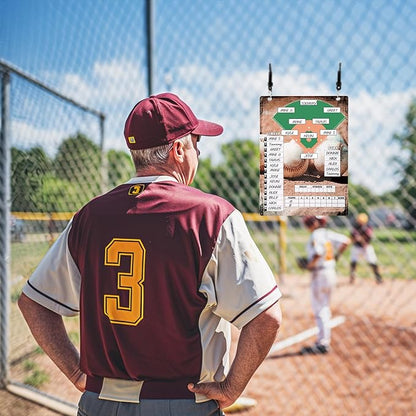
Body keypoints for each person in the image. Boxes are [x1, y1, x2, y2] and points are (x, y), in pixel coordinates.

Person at [18, 92, 282, 416]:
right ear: (178, 150)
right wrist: (231, 389)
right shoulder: (211, 215)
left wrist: (75, 372)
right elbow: (266, 316)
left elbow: (33, 302)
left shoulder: (89, 217)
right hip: (181, 402)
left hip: (98, 404)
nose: (199, 151)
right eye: (196, 142)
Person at [300, 216, 350, 354]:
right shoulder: (328, 233)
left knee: (319, 309)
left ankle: (322, 343)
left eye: (309, 223)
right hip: (330, 272)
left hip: (320, 274)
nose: (307, 225)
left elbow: (318, 253)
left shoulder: (316, 235)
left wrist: (309, 266)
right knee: (325, 307)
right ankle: (324, 340)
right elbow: (346, 241)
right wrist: (337, 256)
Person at [350, 213, 383, 284]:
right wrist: (359, 238)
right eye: (359, 221)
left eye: (362, 221)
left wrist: (360, 238)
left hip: (367, 246)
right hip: (357, 246)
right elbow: (354, 237)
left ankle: (378, 277)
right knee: (353, 262)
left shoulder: (368, 227)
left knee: (372, 261)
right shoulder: (355, 227)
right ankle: (352, 277)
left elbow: (368, 237)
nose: (360, 222)